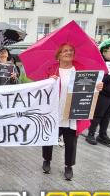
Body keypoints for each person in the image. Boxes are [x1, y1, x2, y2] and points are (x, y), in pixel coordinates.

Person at [41, 44, 103, 180]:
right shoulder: (52, 69)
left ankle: (69, 166)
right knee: (49, 138)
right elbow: (42, 90)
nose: (68, 53)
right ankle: (47, 159)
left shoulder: (80, 69)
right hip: (54, 112)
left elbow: (89, 88)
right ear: (58, 54)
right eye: (65, 51)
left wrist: (97, 86)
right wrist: (49, 81)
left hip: (73, 112)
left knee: (71, 141)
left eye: (71, 50)